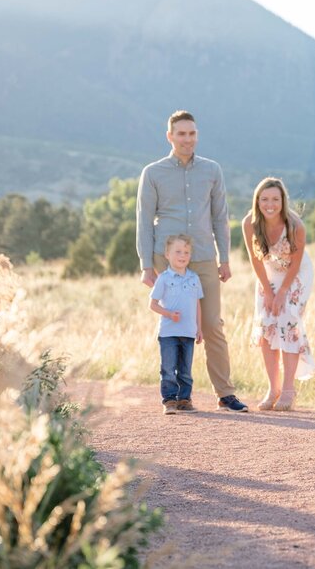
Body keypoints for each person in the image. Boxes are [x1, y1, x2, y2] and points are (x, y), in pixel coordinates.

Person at [137, 110, 249, 412]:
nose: (187, 139)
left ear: (197, 135)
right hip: (166, 258)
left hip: (202, 257)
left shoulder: (212, 170)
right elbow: (145, 221)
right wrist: (146, 264)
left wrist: (224, 258)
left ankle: (225, 394)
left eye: (192, 133)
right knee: (175, 326)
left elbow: (220, 217)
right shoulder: (153, 172)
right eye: (181, 133)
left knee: (212, 324)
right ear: (170, 136)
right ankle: (175, 396)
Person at [240, 177, 315, 411]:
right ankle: (273, 389)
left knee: (288, 322)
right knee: (267, 327)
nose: (270, 204)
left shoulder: (295, 226)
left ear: (283, 201)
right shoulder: (249, 223)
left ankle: (289, 390)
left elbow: (296, 263)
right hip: (269, 273)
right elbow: (255, 259)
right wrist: (268, 291)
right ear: (257, 201)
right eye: (264, 199)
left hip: (296, 275)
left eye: (275, 199)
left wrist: (282, 293)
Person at [149, 235, 204, 414]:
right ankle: (170, 400)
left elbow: (197, 305)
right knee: (168, 368)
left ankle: (184, 400)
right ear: (167, 254)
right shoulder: (163, 278)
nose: (183, 255)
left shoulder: (194, 278)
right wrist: (169, 314)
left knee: (185, 370)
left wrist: (199, 328)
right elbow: (153, 304)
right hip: (168, 332)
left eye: (186, 252)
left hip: (188, 331)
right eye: (178, 251)